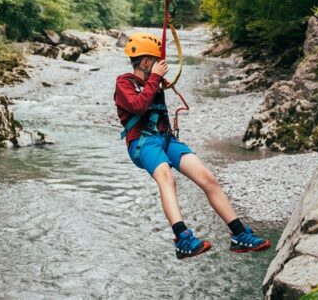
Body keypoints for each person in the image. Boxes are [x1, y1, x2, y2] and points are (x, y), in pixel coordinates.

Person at [114, 32, 271, 259]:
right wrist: (155, 79)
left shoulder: (153, 82)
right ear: (146, 62)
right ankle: (182, 239)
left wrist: (156, 80)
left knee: (207, 177)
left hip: (166, 139)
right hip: (143, 143)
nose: (160, 65)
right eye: (156, 61)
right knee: (167, 178)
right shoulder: (124, 83)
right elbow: (138, 106)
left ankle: (239, 235)